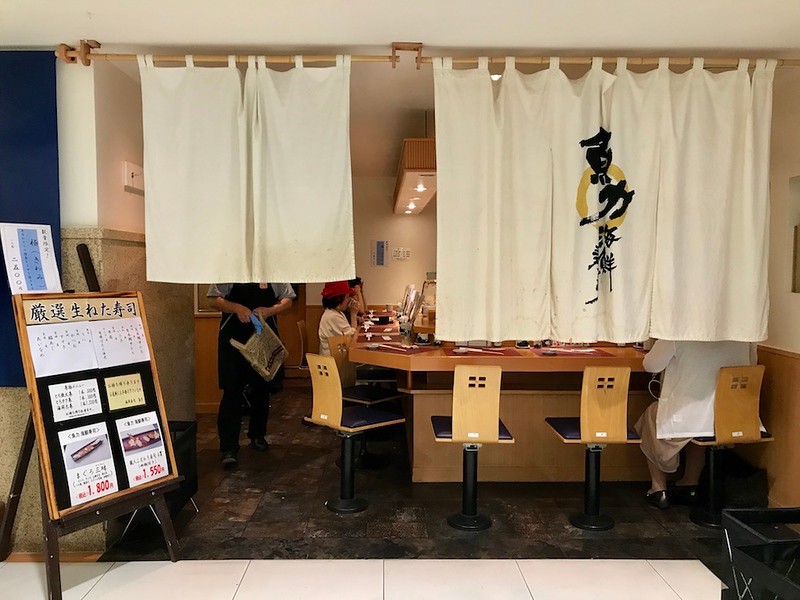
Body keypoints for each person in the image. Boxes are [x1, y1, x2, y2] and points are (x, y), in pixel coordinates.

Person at [635, 340, 756, 509]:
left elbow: (650, 365)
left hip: (689, 418)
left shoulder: (678, 334)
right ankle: (689, 484)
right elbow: (752, 364)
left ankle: (658, 489)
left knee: (652, 416)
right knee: (700, 424)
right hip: (734, 419)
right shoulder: (744, 337)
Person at [207, 282, 295, 466]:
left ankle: (258, 436)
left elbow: (288, 301)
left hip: (264, 336)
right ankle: (229, 447)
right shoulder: (230, 267)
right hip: (233, 339)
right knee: (232, 391)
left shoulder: (273, 270)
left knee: (262, 389)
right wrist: (236, 308)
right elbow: (213, 299)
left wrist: (271, 310)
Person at [318, 280, 357, 356]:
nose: (349, 300)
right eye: (347, 297)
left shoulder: (336, 313)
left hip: (337, 356)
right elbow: (352, 338)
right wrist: (353, 314)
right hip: (333, 361)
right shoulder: (333, 316)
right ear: (339, 299)